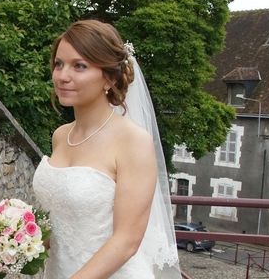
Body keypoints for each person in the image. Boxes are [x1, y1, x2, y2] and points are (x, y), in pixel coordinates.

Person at [32, 20, 180, 278]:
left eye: (79, 66)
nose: (62, 76)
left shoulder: (133, 141)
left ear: (109, 78)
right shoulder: (61, 136)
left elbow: (127, 240)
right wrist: (19, 243)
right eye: (59, 64)